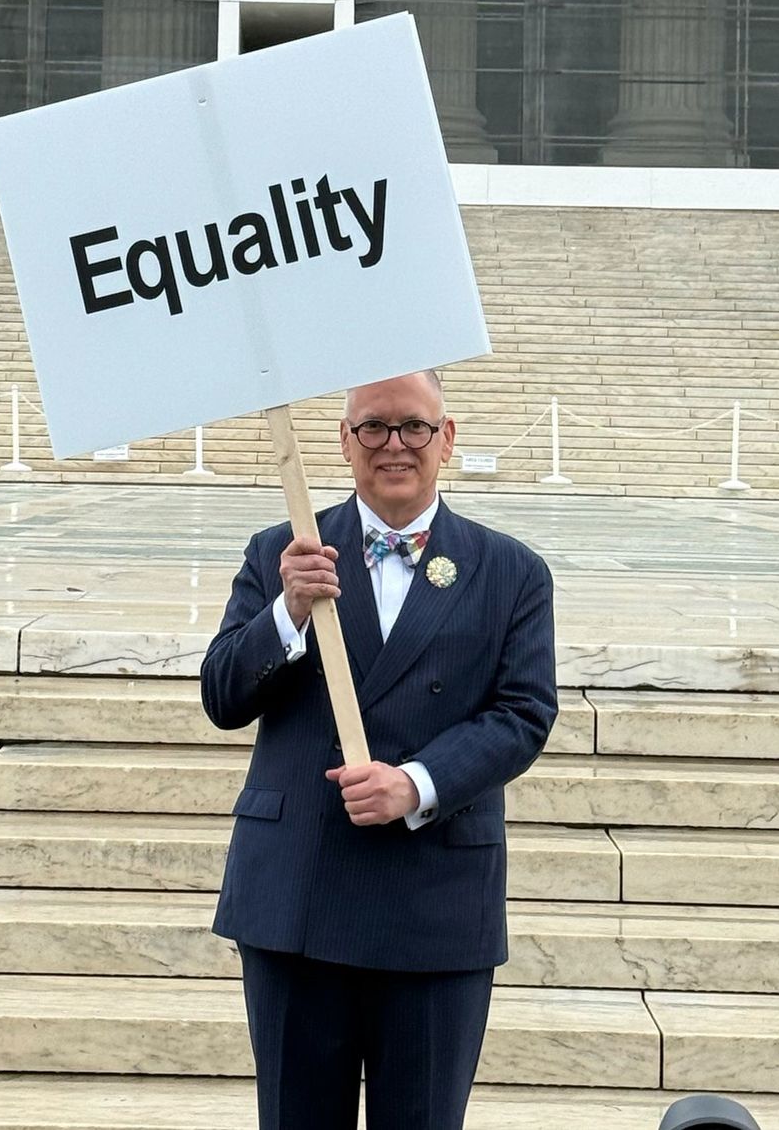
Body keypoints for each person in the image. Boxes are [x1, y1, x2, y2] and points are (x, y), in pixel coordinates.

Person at [200, 369, 557, 1130]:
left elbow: (524, 713)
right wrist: (287, 613)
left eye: (414, 427)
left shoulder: (511, 572)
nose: (394, 445)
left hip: (433, 907)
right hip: (296, 896)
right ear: (344, 440)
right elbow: (222, 697)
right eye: (373, 427)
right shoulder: (282, 553)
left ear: (447, 438)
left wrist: (418, 783)